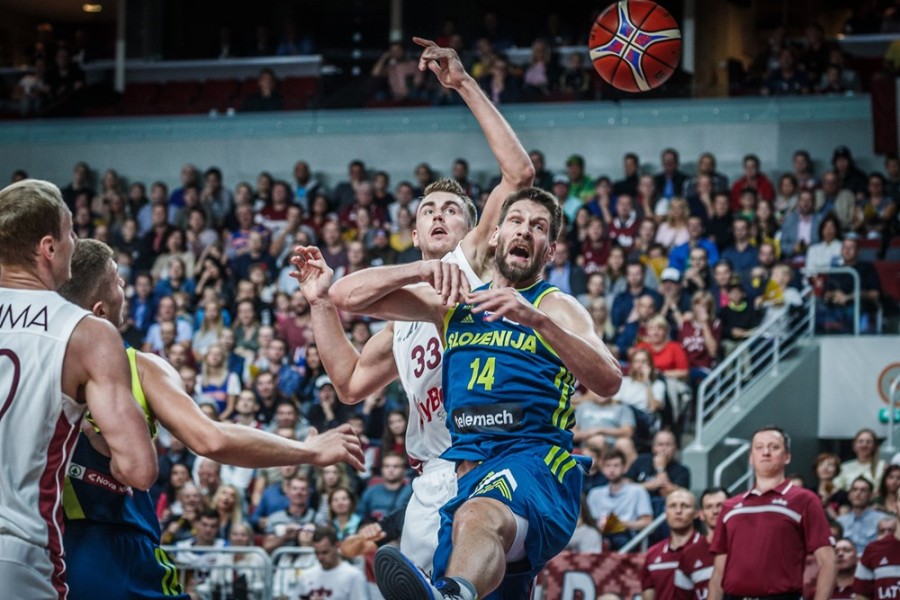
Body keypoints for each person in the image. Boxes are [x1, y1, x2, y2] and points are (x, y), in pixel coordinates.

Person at [291, 35, 535, 584]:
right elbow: (349, 384)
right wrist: (319, 303)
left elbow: (519, 175)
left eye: (452, 209)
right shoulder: (403, 317)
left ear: (476, 228)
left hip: (491, 460)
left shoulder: (474, 259)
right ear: (416, 231)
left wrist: (463, 83)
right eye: (429, 210)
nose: (439, 214)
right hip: (434, 475)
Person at [326, 185, 622, 599]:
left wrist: (537, 321)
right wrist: (419, 270)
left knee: (477, 519)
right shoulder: (455, 303)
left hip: (535, 462)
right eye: (516, 221)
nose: (525, 231)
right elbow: (343, 295)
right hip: (468, 474)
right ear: (497, 235)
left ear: (550, 251)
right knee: (472, 564)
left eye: (538, 227)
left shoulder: (555, 306)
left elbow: (609, 380)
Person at [56, 239, 364, 600]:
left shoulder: (29, 363)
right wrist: (308, 449)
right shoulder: (140, 368)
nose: (124, 286)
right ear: (100, 310)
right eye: (117, 281)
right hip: (116, 549)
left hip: (45, 545)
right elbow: (211, 439)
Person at [0, 179, 157, 598]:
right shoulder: (87, 332)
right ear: (49, 247)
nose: (76, 243)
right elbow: (139, 469)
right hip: (19, 549)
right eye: (71, 233)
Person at [707, 426, 836, 600]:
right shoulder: (730, 507)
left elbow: (828, 561)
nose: (766, 452)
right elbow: (718, 572)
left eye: (774, 447)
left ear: (787, 456)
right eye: (759, 447)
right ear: (751, 457)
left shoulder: (805, 500)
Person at [587, 448, 654, 551]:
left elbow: (647, 521)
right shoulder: (595, 494)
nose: (612, 470)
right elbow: (590, 522)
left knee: (619, 539)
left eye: (616, 465)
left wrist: (623, 524)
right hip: (599, 534)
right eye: (608, 466)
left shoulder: (637, 491)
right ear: (603, 468)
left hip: (627, 534)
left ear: (624, 468)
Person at [641, 488, 701, 600]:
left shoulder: (708, 549)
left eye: (685, 506)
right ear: (665, 512)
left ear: (697, 513)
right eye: (672, 506)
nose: (678, 511)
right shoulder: (652, 554)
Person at [674, 487, 728, 600]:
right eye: (709, 507)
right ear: (701, 514)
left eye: (720, 505)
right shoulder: (689, 555)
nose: (715, 511)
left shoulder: (744, 548)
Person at [853, 512, 900, 600]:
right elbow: (861, 594)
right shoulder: (872, 550)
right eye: (882, 531)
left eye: (890, 530)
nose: (886, 534)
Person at [835, 476, 888, 554]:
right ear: (849, 495)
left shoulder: (882, 520)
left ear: (871, 496)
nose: (858, 493)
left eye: (863, 490)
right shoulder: (840, 521)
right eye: (854, 489)